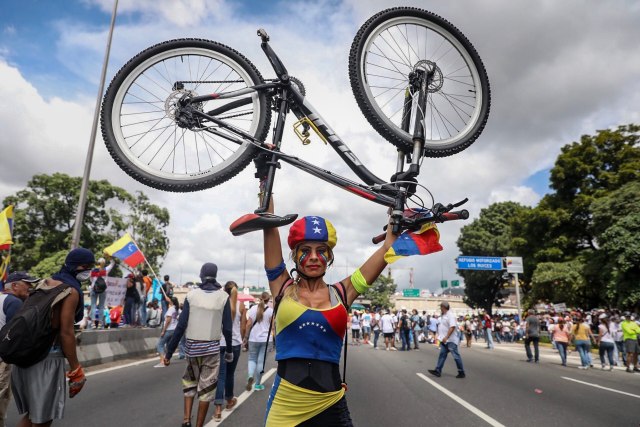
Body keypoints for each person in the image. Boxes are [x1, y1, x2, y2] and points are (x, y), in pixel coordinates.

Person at [261, 201, 396, 426]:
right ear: (294, 256)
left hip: (330, 403)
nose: (314, 257)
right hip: (286, 404)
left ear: (329, 256)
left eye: (321, 251)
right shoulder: (281, 287)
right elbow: (269, 225)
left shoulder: (344, 292)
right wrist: (266, 183)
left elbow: (387, 249)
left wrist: (395, 216)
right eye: (306, 251)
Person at [11, 248, 93, 426]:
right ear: (77, 267)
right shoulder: (70, 291)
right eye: (86, 267)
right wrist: (75, 369)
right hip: (46, 356)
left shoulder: (44, 283)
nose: (88, 271)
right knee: (43, 419)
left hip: (25, 354)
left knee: (32, 415)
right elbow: (66, 332)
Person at [163, 263, 233, 427]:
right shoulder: (223, 297)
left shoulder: (191, 295)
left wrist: (168, 353)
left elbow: (181, 326)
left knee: (189, 382)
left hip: (192, 349)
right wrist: (229, 350)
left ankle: (186, 419)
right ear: (216, 275)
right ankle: (199, 425)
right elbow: (228, 329)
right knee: (207, 389)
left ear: (201, 275)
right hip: (212, 350)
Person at [0, 272, 39, 426]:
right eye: (27, 284)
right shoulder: (14, 302)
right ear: (14, 286)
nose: (31, 287)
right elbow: (16, 335)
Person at [213, 281, 246, 422]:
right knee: (230, 374)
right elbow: (243, 327)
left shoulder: (219, 304)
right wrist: (242, 339)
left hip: (220, 343)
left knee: (220, 376)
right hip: (235, 343)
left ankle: (218, 409)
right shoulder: (241, 305)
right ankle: (229, 400)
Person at [244, 291, 273, 391]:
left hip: (253, 339)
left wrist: (246, 337)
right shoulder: (270, 311)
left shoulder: (252, 309)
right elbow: (273, 327)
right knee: (261, 361)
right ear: (268, 300)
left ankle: (250, 375)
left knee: (252, 359)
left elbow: (248, 324)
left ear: (260, 298)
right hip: (266, 340)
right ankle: (257, 384)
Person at [428, 302, 465, 378]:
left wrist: (447, 337)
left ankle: (461, 372)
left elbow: (452, 327)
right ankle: (438, 370)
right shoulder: (444, 315)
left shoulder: (450, 315)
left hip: (450, 340)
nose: (440, 309)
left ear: (444, 307)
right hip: (444, 340)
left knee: (456, 356)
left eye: (441, 307)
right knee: (442, 355)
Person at [88, 256, 115, 329]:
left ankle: (93, 323)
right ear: (104, 263)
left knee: (93, 306)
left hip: (94, 289)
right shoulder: (106, 270)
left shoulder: (93, 270)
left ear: (98, 263)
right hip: (103, 290)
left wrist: (94, 283)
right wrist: (109, 257)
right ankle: (100, 323)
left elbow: (90, 279)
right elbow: (113, 263)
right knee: (101, 306)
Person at [154, 297, 179, 368]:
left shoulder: (171, 309)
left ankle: (162, 361)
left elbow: (168, 321)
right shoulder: (176, 309)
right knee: (168, 345)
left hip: (169, 329)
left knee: (160, 345)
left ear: (171, 302)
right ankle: (167, 359)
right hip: (174, 329)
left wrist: (163, 330)